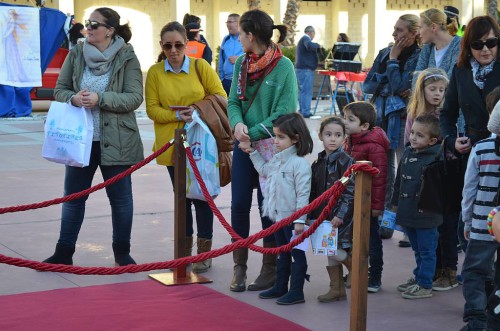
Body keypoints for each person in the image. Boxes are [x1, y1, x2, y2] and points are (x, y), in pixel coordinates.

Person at [43, 7, 144, 266]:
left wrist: (101, 99)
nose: (88, 28)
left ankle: (122, 252)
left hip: (118, 140)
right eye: (88, 23)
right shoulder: (76, 53)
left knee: (120, 201)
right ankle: (63, 252)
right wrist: (74, 99)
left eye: (95, 24)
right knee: (73, 198)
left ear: (110, 30)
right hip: (80, 141)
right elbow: (60, 90)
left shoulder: (127, 56)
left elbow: (134, 97)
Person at [145, 21, 226, 273]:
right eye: (168, 45)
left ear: (186, 45)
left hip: (201, 144)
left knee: (201, 198)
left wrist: (197, 110)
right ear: (162, 46)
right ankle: (182, 253)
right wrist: (179, 117)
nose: (173, 50)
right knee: (182, 200)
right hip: (171, 147)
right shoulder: (155, 72)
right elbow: (152, 109)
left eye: (178, 45)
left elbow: (220, 95)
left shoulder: (201, 67)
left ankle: (205, 254)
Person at [227, 9, 297, 293]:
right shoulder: (241, 64)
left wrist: (252, 133)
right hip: (244, 145)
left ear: (250, 35)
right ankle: (239, 267)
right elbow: (232, 101)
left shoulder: (284, 67)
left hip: (273, 147)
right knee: (239, 204)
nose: (238, 38)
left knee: (268, 207)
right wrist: (238, 125)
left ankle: (271, 269)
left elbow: (285, 112)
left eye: (241, 34)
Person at [440, 15, 500, 262]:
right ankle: (477, 273)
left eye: (491, 42)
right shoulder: (460, 71)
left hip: (498, 147)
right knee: (469, 213)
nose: (485, 49)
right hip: (473, 149)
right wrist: (451, 139)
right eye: (478, 44)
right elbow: (447, 113)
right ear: (468, 47)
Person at [242, 113, 313, 305]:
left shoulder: (300, 164)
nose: (275, 141)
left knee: (297, 255)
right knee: (283, 252)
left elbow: (303, 195)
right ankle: (281, 285)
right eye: (275, 136)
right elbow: (264, 171)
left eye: (281, 137)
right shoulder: (278, 159)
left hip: (293, 220)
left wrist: (299, 220)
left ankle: (297, 291)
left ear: (296, 138)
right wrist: (253, 153)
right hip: (278, 218)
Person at [363, 14, 421, 242]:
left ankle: (407, 227)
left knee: (407, 173)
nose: (394, 35)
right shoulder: (384, 52)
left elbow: (401, 86)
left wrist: (394, 62)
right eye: (394, 30)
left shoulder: (418, 56)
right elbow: (368, 84)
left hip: (405, 119)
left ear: (414, 33)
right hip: (382, 117)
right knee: (384, 172)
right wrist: (391, 82)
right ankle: (386, 223)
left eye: (399, 30)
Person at [460, 95, 500, 331]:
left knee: (474, 271)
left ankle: (476, 319)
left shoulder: (482, 149)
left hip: (484, 223)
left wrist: (467, 220)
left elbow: (469, 188)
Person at [393, 115, 443, 299]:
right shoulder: (407, 152)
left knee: (427, 251)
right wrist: (395, 203)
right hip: (408, 211)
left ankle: (425, 284)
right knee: (417, 249)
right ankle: (418, 276)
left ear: (432, 140)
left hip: (427, 214)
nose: (413, 137)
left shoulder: (438, 157)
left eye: (419, 135)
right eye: (412, 132)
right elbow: (399, 180)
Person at [343, 101, 389, 292]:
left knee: (371, 239)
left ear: (364, 126)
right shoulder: (349, 141)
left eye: (350, 120)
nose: (345, 122)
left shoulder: (374, 146)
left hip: (367, 202)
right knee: (353, 237)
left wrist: (376, 206)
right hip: (352, 200)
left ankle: (374, 276)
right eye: (344, 118)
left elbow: (380, 178)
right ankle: (356, 270)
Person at [309, 116, 355, 302]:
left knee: (332, 250)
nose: (333, 139)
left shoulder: (347, 162)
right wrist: (310, 214)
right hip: (322, 215)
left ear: (344, 138)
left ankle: (355, 267)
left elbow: (350, 192)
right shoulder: (318, 162)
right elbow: (313, 192)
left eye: (338, 135)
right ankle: (336, 289)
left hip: (339, 217)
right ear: (320, 136)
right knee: (328, 250)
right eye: (328, 134)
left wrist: (341, 214)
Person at [413, 8, 461, 87]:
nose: (417, 32)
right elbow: (417, 78)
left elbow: (451, 81)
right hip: (425, 99)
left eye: (420, 27)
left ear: (433, 27)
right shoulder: (427, 47)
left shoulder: (459, 45)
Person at [405, 68, 448, 144]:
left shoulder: (445, 114)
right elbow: (407, 142)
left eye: (441, 90)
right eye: (432, 89)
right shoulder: (413, 114)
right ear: (422, 90)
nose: (437, 93)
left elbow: (450, 141)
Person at [295, 26, 321, 118]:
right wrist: (318, 46)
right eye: (314, 34)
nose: (314, 36)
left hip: (300, 69)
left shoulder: (302, 39)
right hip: (305, 69)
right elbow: (309, 45)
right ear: (311, 32)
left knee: (302, 91)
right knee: (306, 91)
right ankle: (306, 112)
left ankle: (302, 110)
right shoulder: (306, 38)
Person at [219, 13, 243, 96]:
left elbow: (253, 56)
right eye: (227, 22)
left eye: (230, 22)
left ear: (238, 23)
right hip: (226, 81)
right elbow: (221, 59)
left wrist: (239, 60)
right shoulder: (226, 39)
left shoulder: (245, 37)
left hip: (241, 80)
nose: (227, 25)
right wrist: (221, 78)